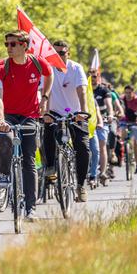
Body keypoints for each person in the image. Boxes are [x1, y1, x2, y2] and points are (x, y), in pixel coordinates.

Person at [0, 30, 53, 222]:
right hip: (7, 114)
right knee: (5, 139)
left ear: (24, 45)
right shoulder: (0, 67)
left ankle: (30, 209)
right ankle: (3, 173)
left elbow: (49, 75)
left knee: (29, 161)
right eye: (6, 44)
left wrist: (44, 98)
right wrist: (1, 120)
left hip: (30, 115)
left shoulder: (37, 62)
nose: (9, 47)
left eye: (13, 44)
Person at [43, 40, 90, 201]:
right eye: (55, 53)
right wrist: (46, 113)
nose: (58, 56)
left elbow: (82, 91)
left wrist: (83, 112)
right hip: (55, 112)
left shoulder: (76, 68)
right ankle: (50, 167)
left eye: (62, 53)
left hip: (75, 113)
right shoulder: (47, 70)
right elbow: (45, 92)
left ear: (68, 54)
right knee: (48, 134)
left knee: (83, 148)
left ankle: (81, 185)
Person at [91, 69, 114, 182]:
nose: (93, 79)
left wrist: (110, 114)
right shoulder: (86, 89)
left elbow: (109, 105)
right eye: (91, 77)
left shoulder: (104, 90)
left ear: (98, 77)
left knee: (102, 146)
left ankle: (103, 172)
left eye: (95, 76)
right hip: (89, 122)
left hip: (102, 122)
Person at [121, 85, 137, 174]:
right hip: (125, 122)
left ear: (133, 93)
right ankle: (124, 151)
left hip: (136, 122)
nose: (128, 95)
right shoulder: (122, 100)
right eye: (126, 92)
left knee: (135, 142)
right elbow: (119, 110)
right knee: (123, 132)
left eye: (130, 93)